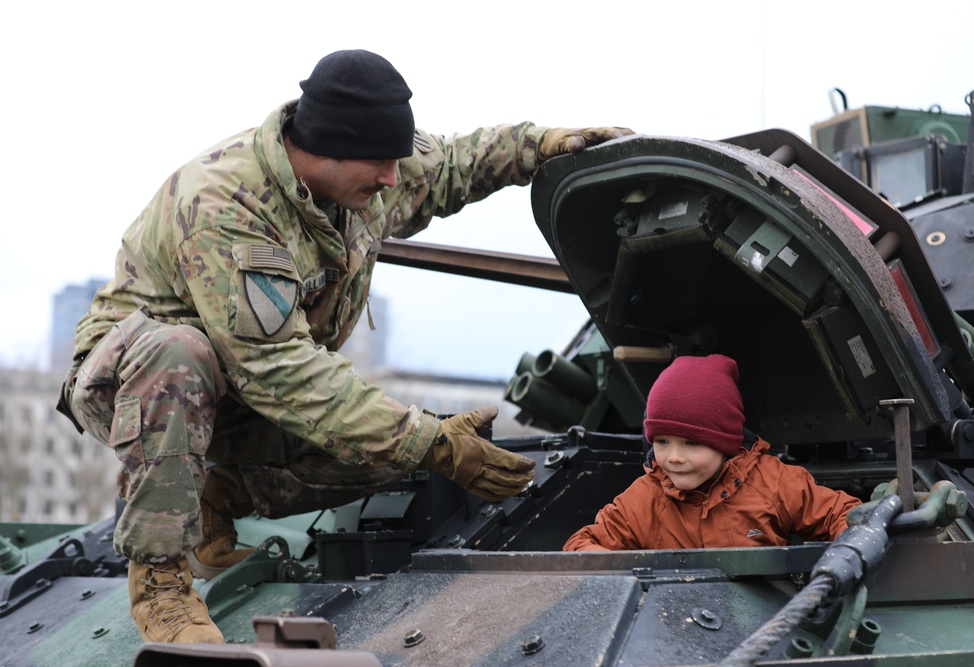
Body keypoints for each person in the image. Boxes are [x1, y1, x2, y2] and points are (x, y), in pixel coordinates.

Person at [55, 49, 632, 644]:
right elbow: (279, 371)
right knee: (182, 353)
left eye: (395, 162)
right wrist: (430, 442)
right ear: (325, 149)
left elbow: (457, 162)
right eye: (379, 163)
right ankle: (161, 584)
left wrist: (545, 144)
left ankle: (213, 498)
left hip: (245, 391)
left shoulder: (372, 169)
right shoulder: (226, 206)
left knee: (390, 446)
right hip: (140, 386)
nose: (391, 179)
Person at [563, 354, 862, 552]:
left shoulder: (773, 483)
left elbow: (843, 514)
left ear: (725, 443)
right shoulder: (644, 500)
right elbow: (580, 546)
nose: (674, 457)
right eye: (662, 441)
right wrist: (634, 576)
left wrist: (849, 550)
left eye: (692, 443)